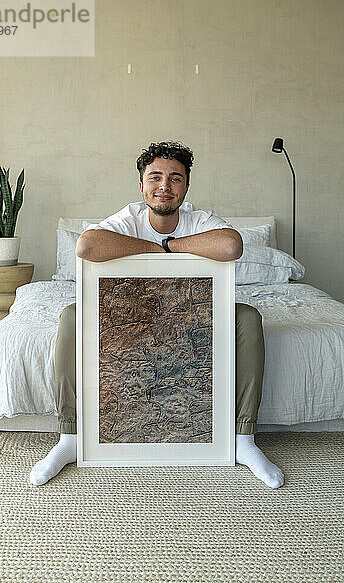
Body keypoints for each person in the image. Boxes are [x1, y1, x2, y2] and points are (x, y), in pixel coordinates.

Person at [30, 141, 285, 489]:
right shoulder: (128, 217)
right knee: (73, 315)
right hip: (132, 314)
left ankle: (243, 439)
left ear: (186, 187)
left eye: (175, 178)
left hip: (195, 315)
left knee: (248, 318)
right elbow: (87, 246)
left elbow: (230, 245)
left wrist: (168, 245)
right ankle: (71, 436)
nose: (164, 186)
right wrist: (155, 245)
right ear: (141, 185)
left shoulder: (199, 219)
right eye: (155, 177)